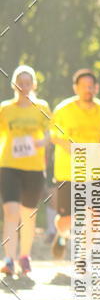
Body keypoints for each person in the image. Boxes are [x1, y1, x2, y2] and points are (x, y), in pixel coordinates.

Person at [49, 69, 100, 261]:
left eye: (91, 86)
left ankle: (82, 256)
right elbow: (52, 135)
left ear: (96, 88)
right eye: (84, 86)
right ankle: (62, 235)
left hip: (93, 171)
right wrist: (69, 146)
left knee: (94, 215)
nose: (88, 90)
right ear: (75, 88)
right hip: (67, 172)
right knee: (67, 220)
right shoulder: (64, 109)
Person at [0, 65, 51, 279]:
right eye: (20, 82)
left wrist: (41, 142)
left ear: (33, 85)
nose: (23, 86)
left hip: (34, 167)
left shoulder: (42, 106)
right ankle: (8, 260)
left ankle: (24, 257)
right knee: (10, 212)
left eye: (27, 83)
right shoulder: (5, 108)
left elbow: (50, 134)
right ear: (14, 84)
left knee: (28, 215)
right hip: (9, 165)